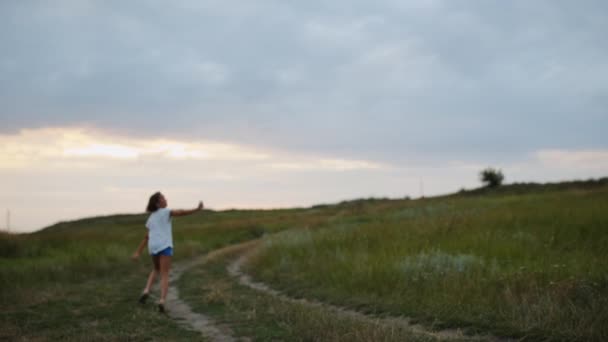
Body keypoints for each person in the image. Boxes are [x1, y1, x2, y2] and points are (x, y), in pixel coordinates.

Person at [132, 191, 203, 313]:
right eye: (163, 198)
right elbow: (181, 212)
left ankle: (146, 290)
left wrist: (138, 252)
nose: (166, 199)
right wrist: (197, 209)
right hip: (164, 246)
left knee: (156, 269)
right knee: (165, 274)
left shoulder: (151, 218)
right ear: (158, 203)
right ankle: (162, 301)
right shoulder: (165, 212)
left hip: (153, 246)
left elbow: (146, 237)